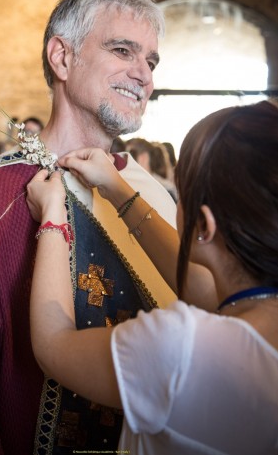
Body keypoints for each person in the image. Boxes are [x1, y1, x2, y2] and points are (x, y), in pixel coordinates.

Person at [0, 0, 178, 454]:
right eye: (122, 50)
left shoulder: (149, 195)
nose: (142, 74)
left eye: (151, 60)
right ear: (61, 57)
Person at [27, 100, 278, 455]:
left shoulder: (182, 348)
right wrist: (117, 188)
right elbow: (201, 288)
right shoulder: (250, 314)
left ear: (203, 226)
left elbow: (53, 346)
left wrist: (54, 216)